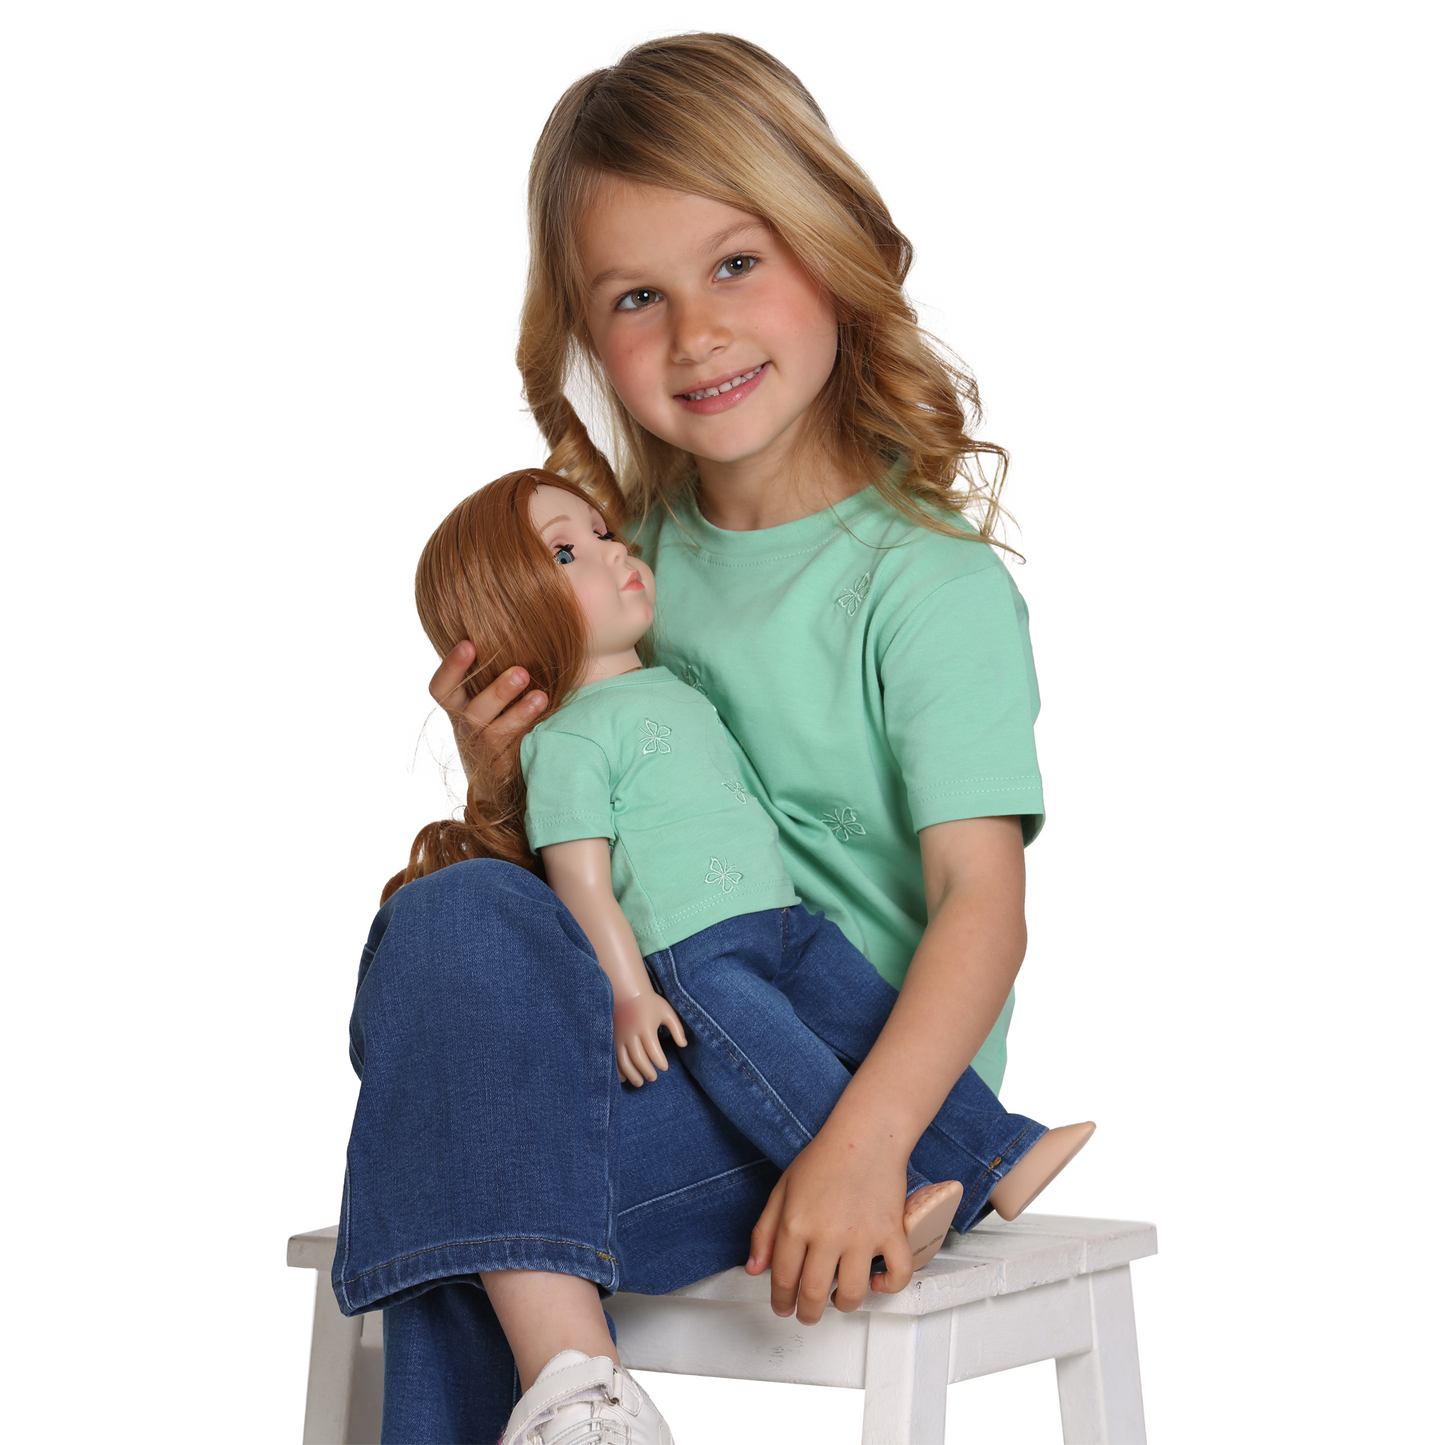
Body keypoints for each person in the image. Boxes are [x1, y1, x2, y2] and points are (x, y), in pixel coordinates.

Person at [336, 34, 1087, 1445]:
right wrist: (505, 768)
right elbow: (577, 885)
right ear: (584, 331)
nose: (694, 333)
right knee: (448, 917)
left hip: (834, 1094)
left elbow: (987, 906)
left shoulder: (923, 585)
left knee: (446, 1194)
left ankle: (575, 1397)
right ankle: (579, 1396)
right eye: (637, 296)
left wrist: (862, 1149)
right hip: (650, 1046)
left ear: (830, 243)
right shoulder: (616, 572)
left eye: (736, 263)